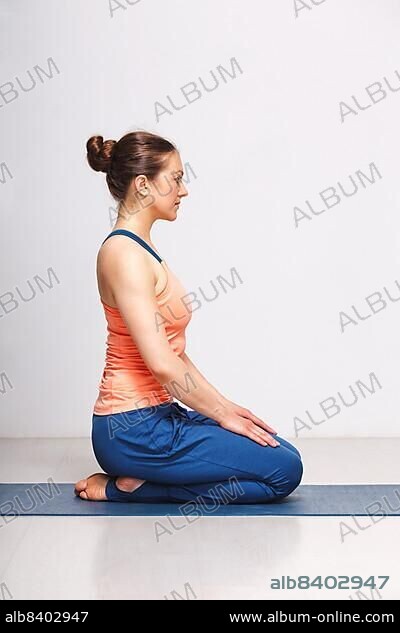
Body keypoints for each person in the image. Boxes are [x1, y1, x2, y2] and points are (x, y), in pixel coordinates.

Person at [75, 130, 303, 504]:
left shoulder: (143, 252)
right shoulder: (124, 255)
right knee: (283, 473)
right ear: (144, 185)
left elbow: (175, 354)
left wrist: (227, 408)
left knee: (284, 456)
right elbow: (162, 364)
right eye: (177, 178)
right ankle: (127, 488)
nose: (184, 190)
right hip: (131, 430)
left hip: (161, 415)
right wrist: (220, 416)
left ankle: (138, 481)